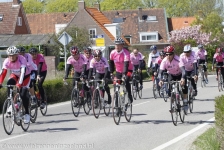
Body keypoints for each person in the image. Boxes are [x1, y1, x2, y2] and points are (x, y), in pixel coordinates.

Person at [0, 46, 31, 123]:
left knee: (23, 94)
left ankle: (27, 113)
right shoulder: (7, 61)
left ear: (17, 54)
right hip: (15, 75)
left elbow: (23, 72)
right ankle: (11, 104)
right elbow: (3, 72)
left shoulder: (22, 59)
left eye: (13, 55)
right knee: (9, 83)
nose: (12, 57)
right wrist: (0, 82)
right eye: (10, 55)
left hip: (25, 77)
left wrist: (19, 84)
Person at [158, 45, 188, 112]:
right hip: (171, 75)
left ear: (173, 54)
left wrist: (183, 79)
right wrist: (160, 80)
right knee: (170, 90)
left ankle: (185, 102)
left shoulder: (178, 59)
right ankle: (172, 104)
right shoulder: (164, 61)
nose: (168, 56)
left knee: (184, 86)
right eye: (167, 54)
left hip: (180, 75)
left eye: (170, 54)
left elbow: (183, 71)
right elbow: (160, 72)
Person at [110, 37, 133, 103]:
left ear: (122, 45)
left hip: (128, 70)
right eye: (116, 45)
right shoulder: (112, 53)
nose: (117, 46)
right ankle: (117, 102)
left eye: (119, 45)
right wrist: (111, 73)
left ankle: (129, 95)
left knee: (126, 80)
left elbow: (126, 64)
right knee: (116, 84)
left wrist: (124, 75)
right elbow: (111, 63)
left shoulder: (126, 53)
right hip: (118, 71)